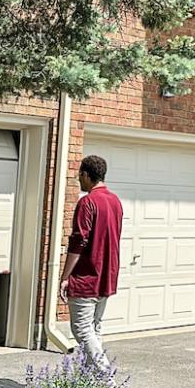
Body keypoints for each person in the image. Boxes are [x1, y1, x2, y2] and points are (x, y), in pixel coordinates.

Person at [60, 154, 123, 368]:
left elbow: (79, 241)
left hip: (86, 277)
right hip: (107, 276)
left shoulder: (87, 202)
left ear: (86, 175)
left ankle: (105, 377)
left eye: (80, 175)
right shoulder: (115, 201)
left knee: (82, 330)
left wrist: (65, 276)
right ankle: (92, 383)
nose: (79, 180)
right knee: (95, 328)